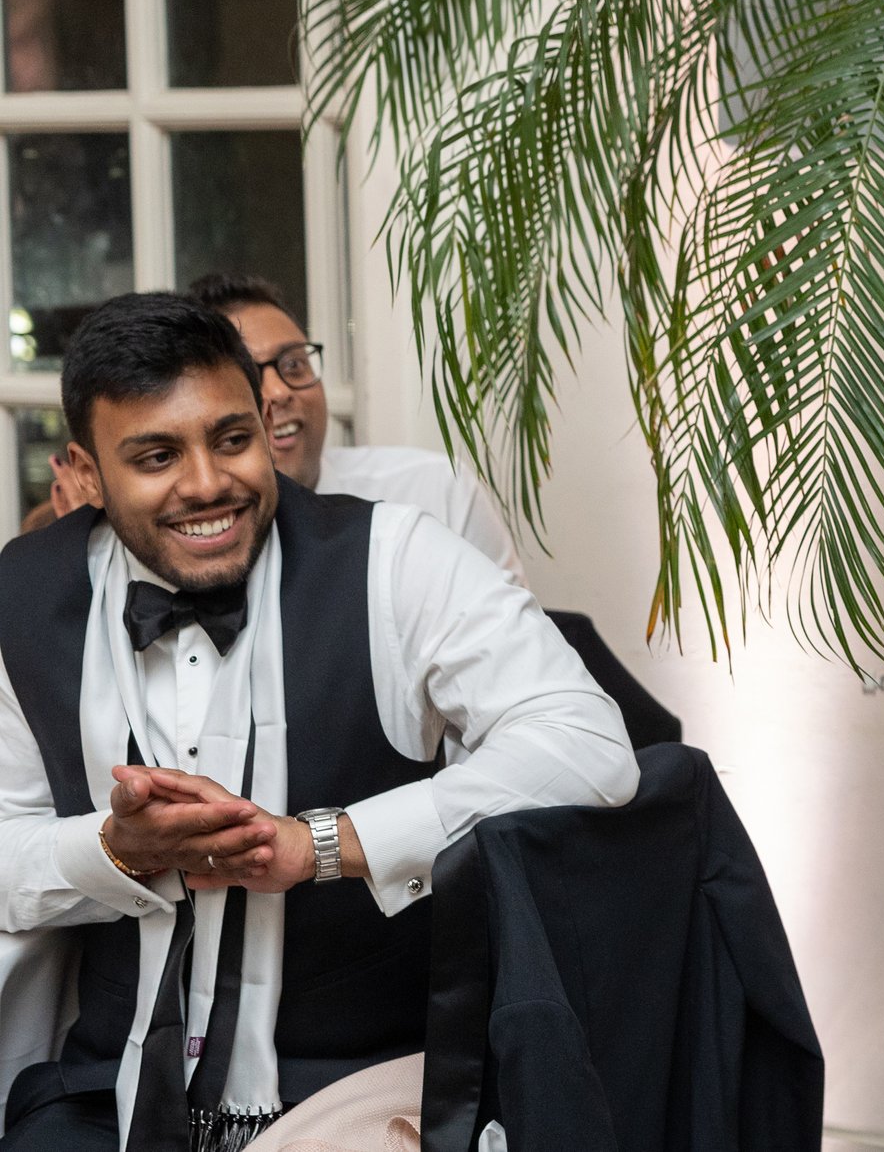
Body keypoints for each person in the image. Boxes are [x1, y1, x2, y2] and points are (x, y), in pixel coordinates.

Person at [0, 293, 638, 1151]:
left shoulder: (396, 558)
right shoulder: (23, 595)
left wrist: (325, 844)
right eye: (156, 455)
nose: (206, 482)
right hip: (99, 1097)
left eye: (231, 438)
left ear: (265, 424)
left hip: (361, 1089)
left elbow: (589, 745)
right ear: (84, 470)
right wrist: (118, 851)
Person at [188, 272, 527, 581]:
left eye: (294, 364)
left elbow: (517, 639)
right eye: (250, 373)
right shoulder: (194, 538)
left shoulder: (436, 491)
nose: (279, 392)